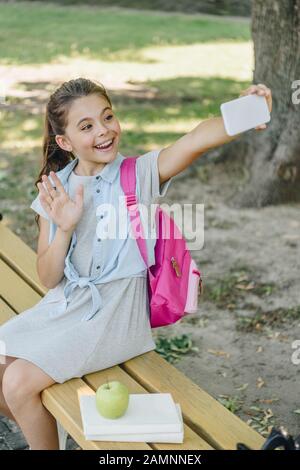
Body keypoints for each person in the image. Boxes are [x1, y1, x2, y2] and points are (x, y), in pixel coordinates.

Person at [0, 78, 272, 449]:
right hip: (65, 308)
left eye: (107, 116)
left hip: (114, 318)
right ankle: (48, 433)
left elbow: (194, 140)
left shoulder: (138, 175)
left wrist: (245, 111)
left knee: (17, 382)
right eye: (87, 126)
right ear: (64, 142)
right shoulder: (55, 188)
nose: (104, 130)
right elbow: (48, 278)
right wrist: (63, 227)